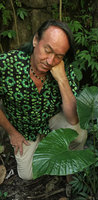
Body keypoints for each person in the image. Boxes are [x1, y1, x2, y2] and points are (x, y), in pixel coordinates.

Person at [0, 19, 87, 181]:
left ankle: (69, 167)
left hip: (51, 120)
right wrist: (12, 132)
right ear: (35, 40)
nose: (50, 61)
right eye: (47, 50)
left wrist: (62, 79)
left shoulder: (64, 68)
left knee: (79, 133)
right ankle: (49, 149)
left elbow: (73, 118)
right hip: (24, 129)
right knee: (28, 174)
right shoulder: (7, 64)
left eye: (58, 56)